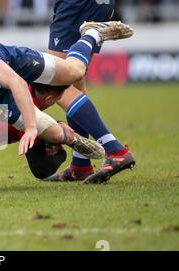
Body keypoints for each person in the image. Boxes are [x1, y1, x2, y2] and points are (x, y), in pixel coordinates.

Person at [0, 20, 133, 161]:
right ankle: (73, 139)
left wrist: (29, 127)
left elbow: (16, 82)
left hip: (17, 64)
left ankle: (92, 33)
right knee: (54, 134)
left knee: (75, 72)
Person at [45, 0, 136, 183]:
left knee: (55, 82)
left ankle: (115, 150)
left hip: (75, 4)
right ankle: (80, 165)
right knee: (74, 80)